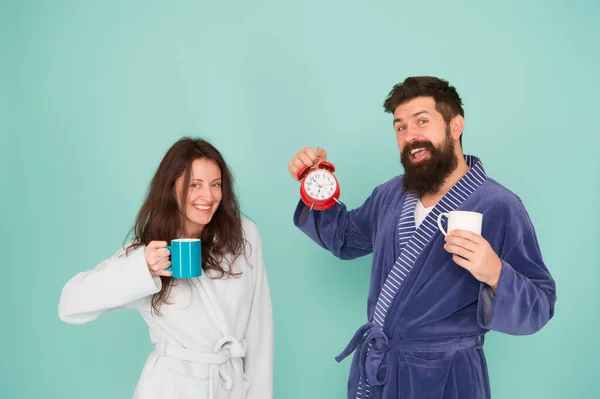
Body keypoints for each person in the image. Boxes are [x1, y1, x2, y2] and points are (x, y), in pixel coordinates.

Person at [288, 76, 556, 399]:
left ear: (455, 126)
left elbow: (540, 304)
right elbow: (345, 236)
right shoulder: (392, 194)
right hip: (385, 373)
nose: (410, 136)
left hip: (449, 381)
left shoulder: (500, 206)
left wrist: (496, 273)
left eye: (422, 122)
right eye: (400, 127)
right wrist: (316, 186)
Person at [59, 137, 273, 399]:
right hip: (171, 388)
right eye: (195, 185)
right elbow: (70, 305)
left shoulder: (243, 236)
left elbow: (260, 332)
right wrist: (143, 269)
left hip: (230, 386)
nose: (208, 196)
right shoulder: (147, 252)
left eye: (215, 185)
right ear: (172, 188)